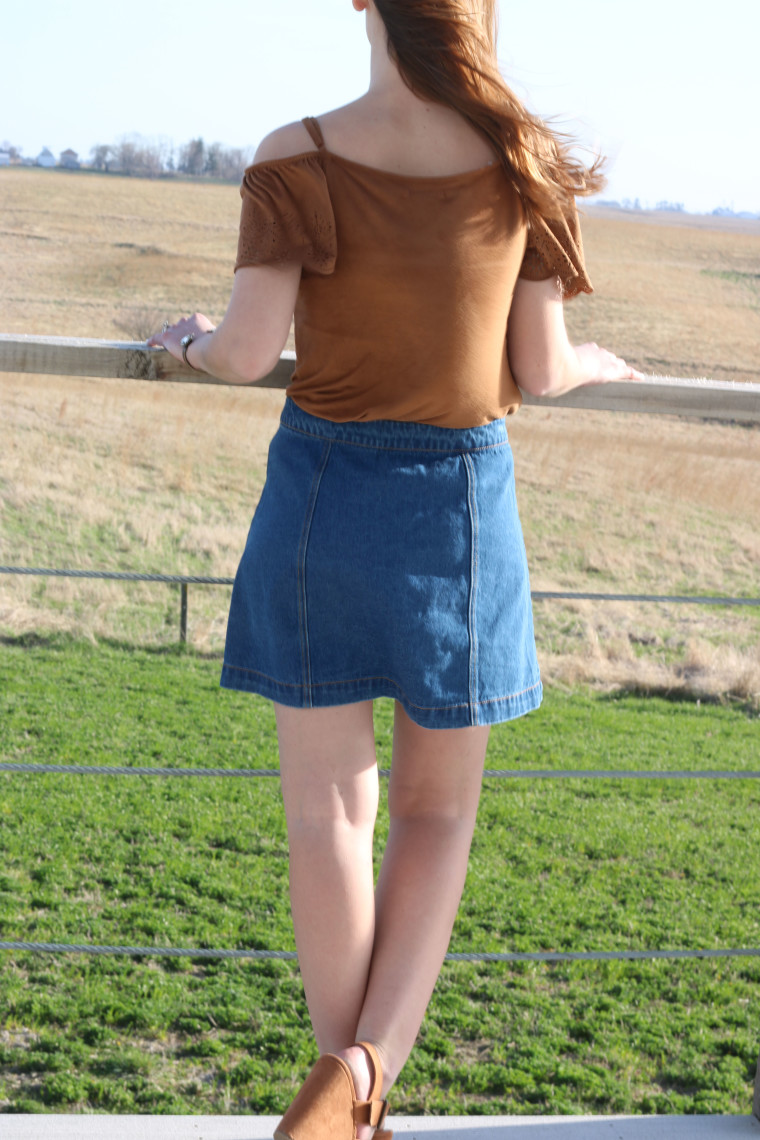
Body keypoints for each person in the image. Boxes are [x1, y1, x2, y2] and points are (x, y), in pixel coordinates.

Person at [149, 1, 644, 1135]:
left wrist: (178, 344)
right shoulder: (523, 158)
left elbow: (240, 352)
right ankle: (368, 1078)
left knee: (329, 812)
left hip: (318, 491)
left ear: (359, 3)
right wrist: (589, 367)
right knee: (436, 816)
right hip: (458, 509)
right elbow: (538, 364)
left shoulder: (298, 154)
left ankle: (343, 1091)